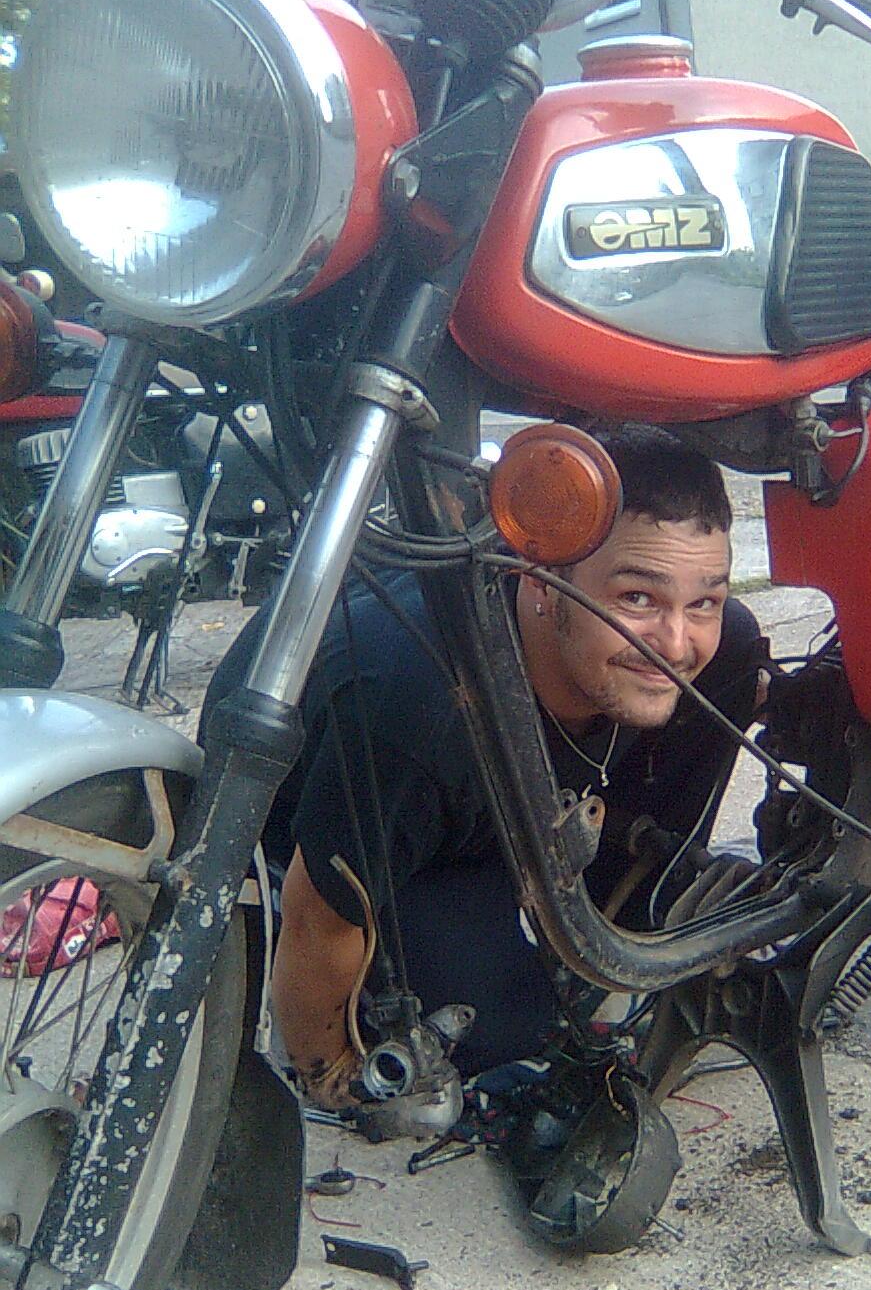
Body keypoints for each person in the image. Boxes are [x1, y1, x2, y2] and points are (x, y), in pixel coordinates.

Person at [203, 424, 765, 1111]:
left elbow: (701, 644)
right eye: (637, 600)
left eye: (701, 601)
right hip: (372, 825)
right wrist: (336, 1077)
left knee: (734, 649)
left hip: (506, 787)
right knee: (499, 1038)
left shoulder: (688, 648)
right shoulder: (422, 703)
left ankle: (625, 909)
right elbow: (318, 918)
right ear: (539, 580)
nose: (675, 644)